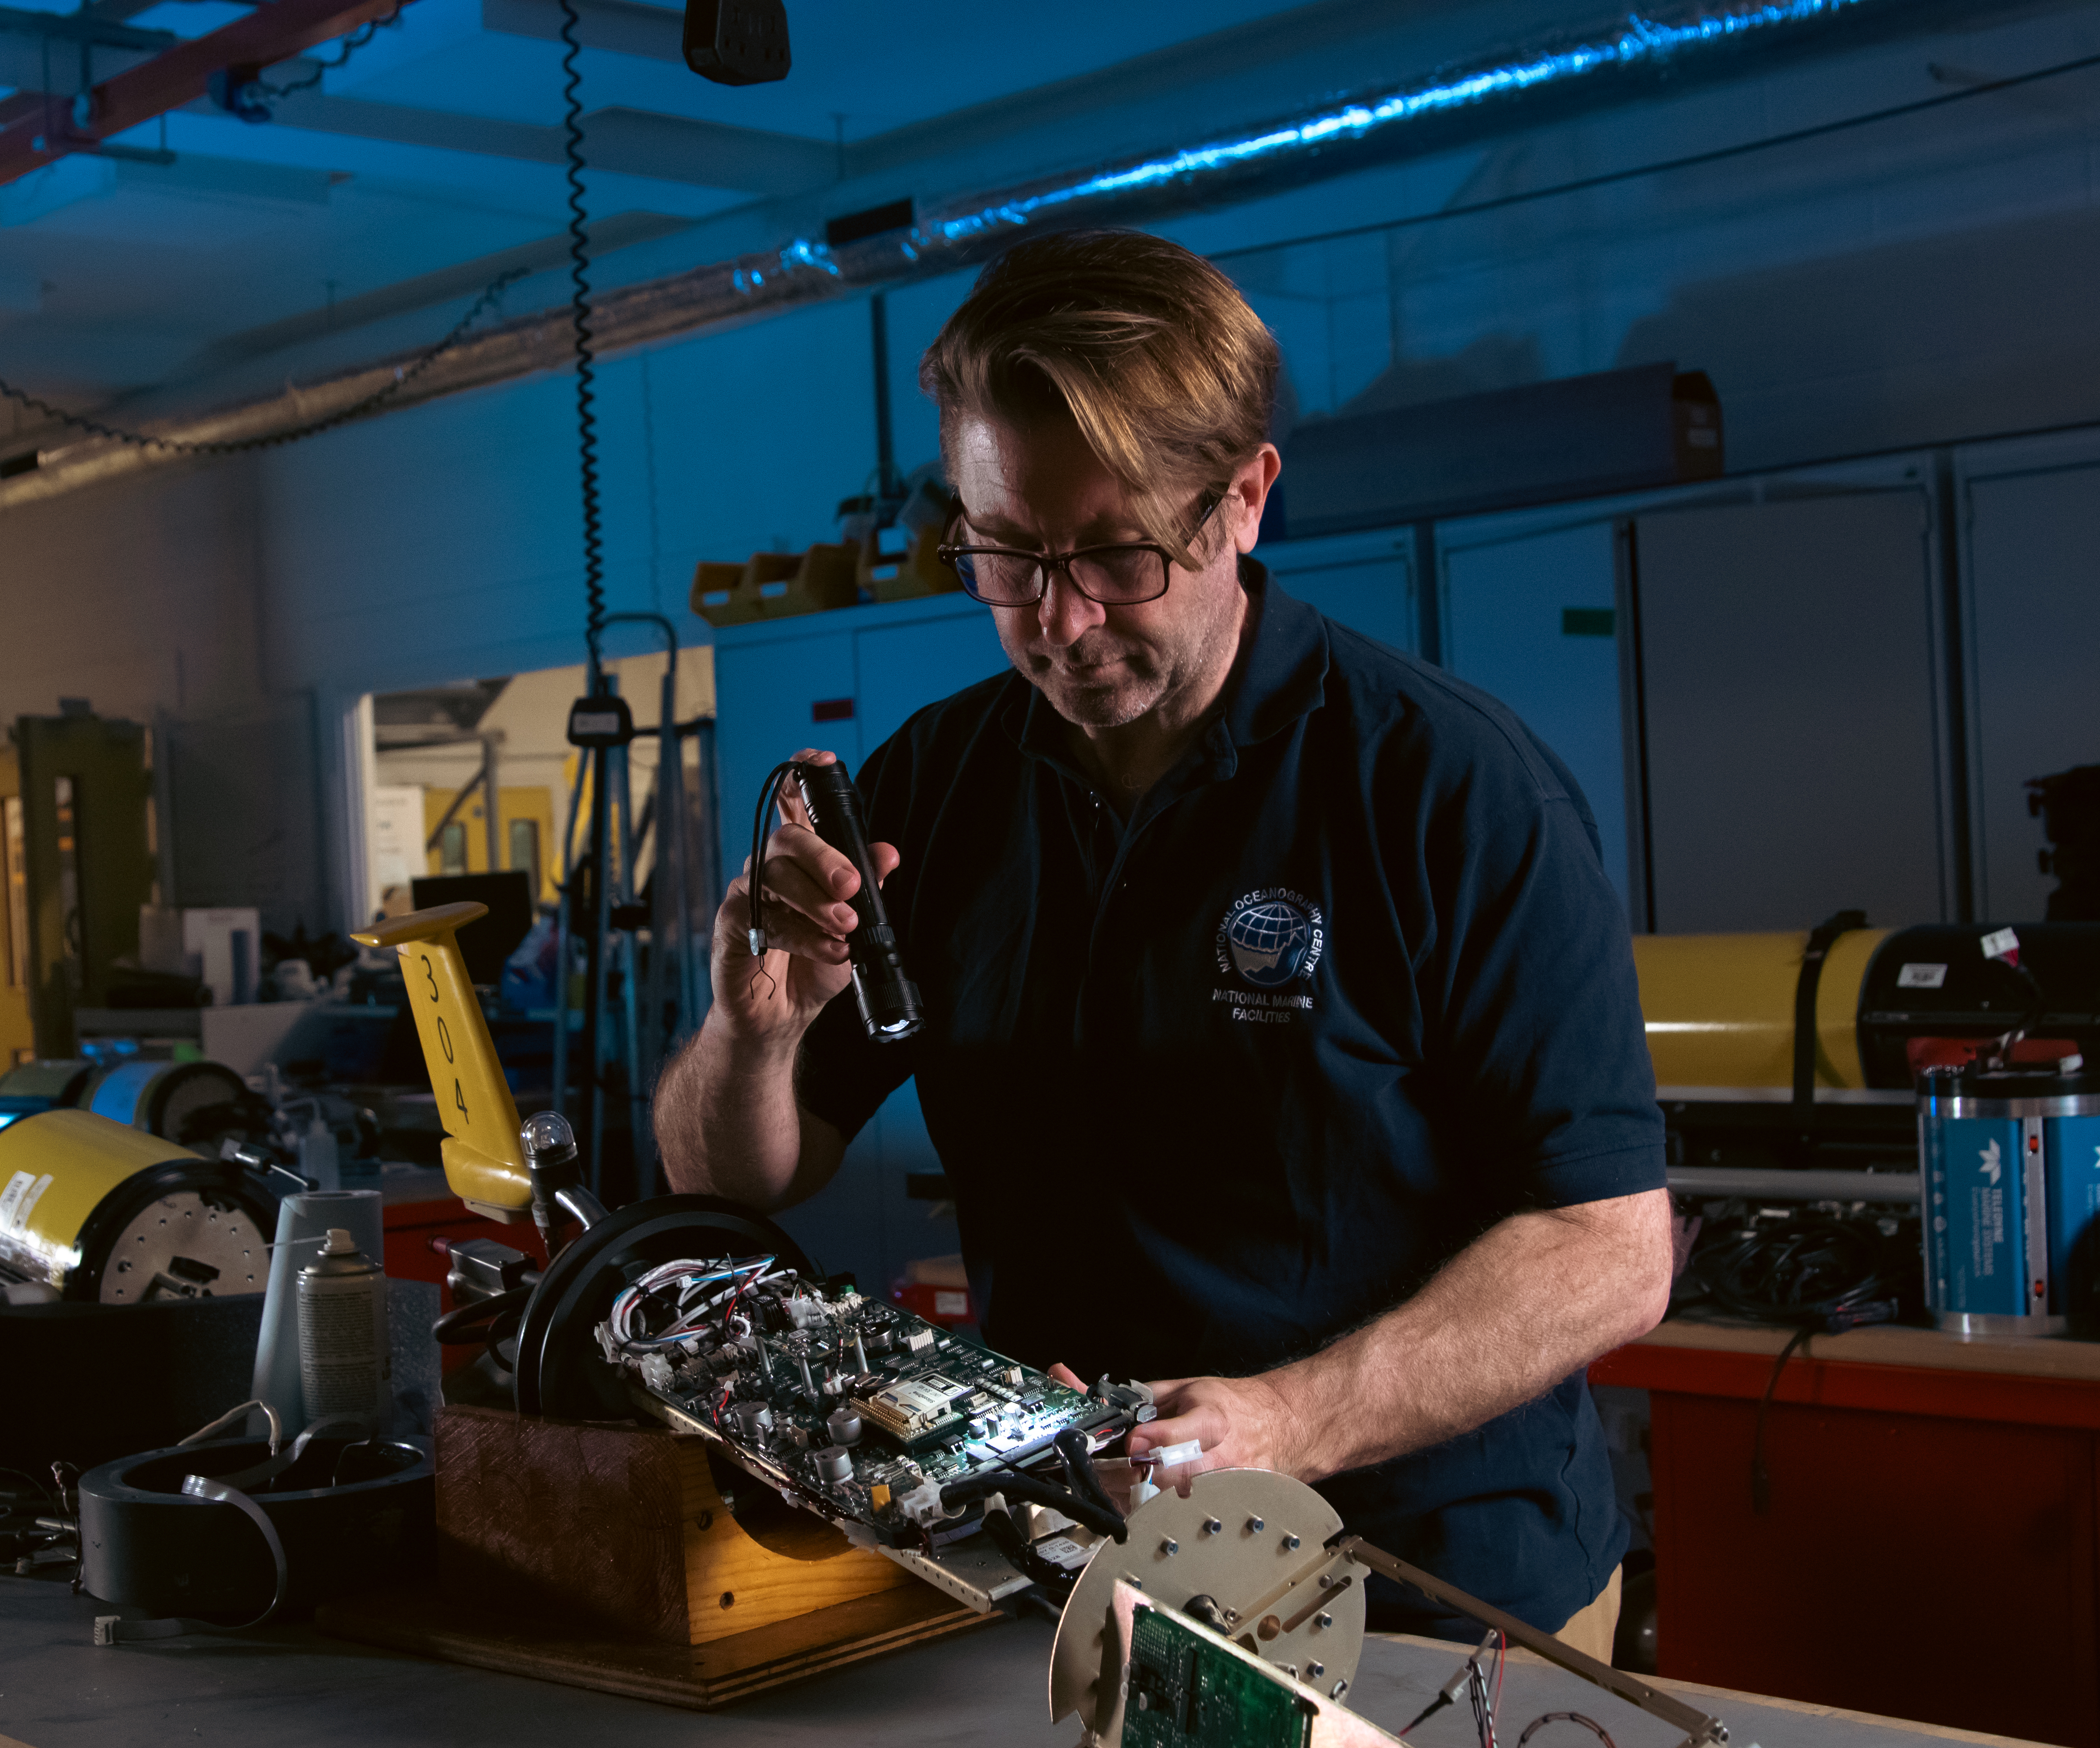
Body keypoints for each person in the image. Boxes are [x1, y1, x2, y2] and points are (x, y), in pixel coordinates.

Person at [652, 229, 1672, 1646]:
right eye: (1003, 554)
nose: (1057, 623)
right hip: (1082, 1578)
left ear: (1244, 500)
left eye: (1117, 555)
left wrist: (1291, 1417)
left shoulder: (1447, 792)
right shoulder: (937, 792)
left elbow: (1609, 1244)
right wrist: (748, 1035)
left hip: (1435, 1596)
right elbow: (737, 1171)